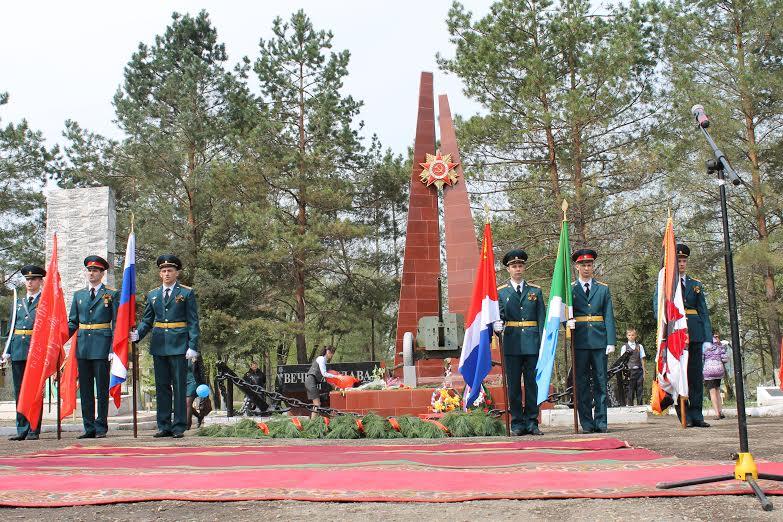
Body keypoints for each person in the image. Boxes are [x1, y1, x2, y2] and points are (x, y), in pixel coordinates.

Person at [131, 254, 200, 438]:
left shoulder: (186, 293)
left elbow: (193, 322)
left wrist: (192, 345)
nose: (167, 273)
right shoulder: (153, 295)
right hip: (159, 344)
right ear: (159, 274)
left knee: (179, 387)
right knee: (162, 386)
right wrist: (137, 334)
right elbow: (147, 320)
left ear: (177, 272)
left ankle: (178, 426)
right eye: (163, 271)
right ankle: (163, 425)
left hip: (179, 345)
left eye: (170, 270)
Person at [493, 249, 546, 436]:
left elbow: (542, 320)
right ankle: (517, 423)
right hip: (512, 344)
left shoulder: (535, 291)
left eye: (520, 265)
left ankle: (532, 422)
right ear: (508, 269)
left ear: (524, 267)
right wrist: (496, 324)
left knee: (532, 385)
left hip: (532, 344)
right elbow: (497, 316)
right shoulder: (501, 292)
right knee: (514, 386)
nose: (517, 269)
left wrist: (543, 345)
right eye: (514, 266)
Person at [67, 255, 119, 439]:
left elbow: (116, 322)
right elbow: (73, 322)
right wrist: (59, 339)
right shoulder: (79, 295)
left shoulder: (111, 294)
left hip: (102, 346)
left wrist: (113, 348)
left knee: (102, 389)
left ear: (102, 273)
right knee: (86, 389)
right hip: (83, 347)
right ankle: (88, 426)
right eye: (89, 270)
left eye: (95, 270)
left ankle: (101, 426)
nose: (91, 273)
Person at [569, 249, 616, 434]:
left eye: (589, 265)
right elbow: (562, 311)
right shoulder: (570, 288)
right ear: (577, 267)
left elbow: (608, 315)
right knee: (581, 383)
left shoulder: (603, 289)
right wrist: (567, 321)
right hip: (579, 341)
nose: (587, 268)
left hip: (599, 341)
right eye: (583, 265)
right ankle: (586, 422)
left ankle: (601, 421)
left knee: (600, 381)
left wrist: (610, 340)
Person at [2, 265, 46, 441]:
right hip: (19, 350)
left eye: (34, 279)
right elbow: (11, 327)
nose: (30, 282)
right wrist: (7, 350)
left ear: (40, 282)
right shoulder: (18, 303)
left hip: (35, 351)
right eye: (27, 279)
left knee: (34, 391)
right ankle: (22, 428)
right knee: (20, 391)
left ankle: (34, 428)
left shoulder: (45, 302)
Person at [675, 244, 713, 427]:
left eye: (684, 261)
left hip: (695, 333)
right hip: (677, 333)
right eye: (679, 261)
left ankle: (697, 414)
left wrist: (707, 338)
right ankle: (684, 414)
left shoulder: (695, 284)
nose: (682, 264)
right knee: (679, 375)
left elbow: (703, 312)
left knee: (696, 376)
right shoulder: (668, 284)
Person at [305, 346, 337, 419]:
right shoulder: (321, 359)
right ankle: (312, 422)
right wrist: (336, 376)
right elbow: (324, 373)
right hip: (311, 382)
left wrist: (332, 384)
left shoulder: (323, 360)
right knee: (317, 404)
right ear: (328, 352)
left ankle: (313, 421)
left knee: (316, 404)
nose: (332, 356)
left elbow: (323, 376)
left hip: (311, 382)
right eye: (332, 354)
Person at [703, 332, 728, 420]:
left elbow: (702, 358)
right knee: (717, 390)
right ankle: (720, 411)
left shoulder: (705, 345)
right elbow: (725, 359)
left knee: (712, 392)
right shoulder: (720, 345)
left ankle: (717, 413)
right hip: (719, 369)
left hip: (708, 370)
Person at [620, 328, 646, 406]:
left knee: (640, 389)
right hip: (629, 372)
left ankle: (640, 406)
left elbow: (642, 359)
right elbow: (622, 361)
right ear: (627, 336)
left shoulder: (639, 346)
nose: (631, 336)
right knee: (630, 389)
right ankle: (630, 406)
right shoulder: (624, 347)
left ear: (635, 336)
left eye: (632, 335)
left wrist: (644, 371)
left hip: (639, 371)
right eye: (629, 335)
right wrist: (623, 372)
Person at [185, 353, 207, 429]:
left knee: (188, 403)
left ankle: (187, 425)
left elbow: (201, 371)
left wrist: (202, 383)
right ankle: (199, 416)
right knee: (186, 404)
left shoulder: (195, 354)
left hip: (194, 382)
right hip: (184, 382)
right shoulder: (180, 356)